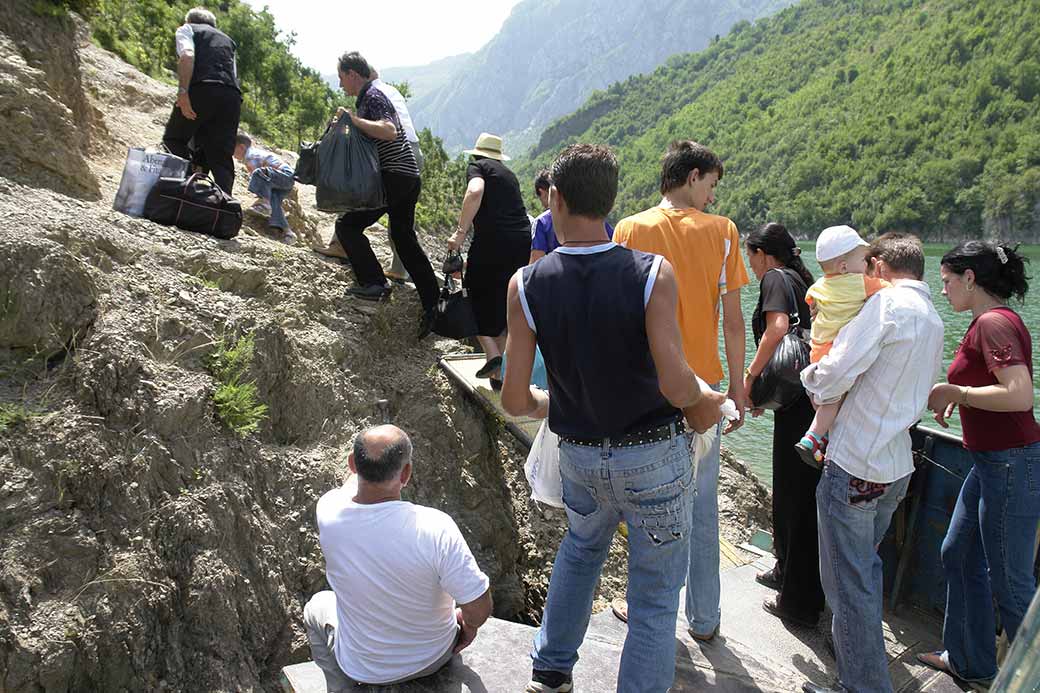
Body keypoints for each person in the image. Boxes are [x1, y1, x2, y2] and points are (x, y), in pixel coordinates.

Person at [501, 143, 725, 693]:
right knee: (652, 598)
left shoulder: (525, 284)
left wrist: (545, 404)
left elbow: (515, 401)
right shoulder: (651, 273)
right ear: (610, 202)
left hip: (578, 457)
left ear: (554, 198)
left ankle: (550, 672)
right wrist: (711, 399)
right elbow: (675, 384)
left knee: (580, 550)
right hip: (653, 456)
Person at [610, 140, 749, 641]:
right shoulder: (724, 233)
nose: (712, 196)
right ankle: (706, 620)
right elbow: (732, 322)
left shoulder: (630, 228)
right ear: (692, 176)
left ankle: (647, 609)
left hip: (646, 383)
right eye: (711, 185)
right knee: (702, 503)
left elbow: (623, 313)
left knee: (645, 499)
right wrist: (737, 386)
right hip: (703, 390)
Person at [800, 232, 944, 693]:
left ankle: (862, 686)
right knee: (862, 576)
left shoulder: (885, 308)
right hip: (896, 464)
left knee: (848, 586)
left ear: (879, 265)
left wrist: (809, 373)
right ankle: (857, 677)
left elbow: (833, 373)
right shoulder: (934, 319)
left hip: (856, 462)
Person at [918, 241, 1040, 686]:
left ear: (970, 279)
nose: (942, 288)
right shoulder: (989, 322)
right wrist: (962, 399)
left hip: (1011, 465)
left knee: (1012, 586)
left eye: (948, 281)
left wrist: (957, 394)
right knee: (958, 552)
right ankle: (971, 663)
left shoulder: (992, 323)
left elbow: (1019, 393)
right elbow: (991, 384)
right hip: (990, 462)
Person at [304, 425, 493, 690]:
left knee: (316, 605)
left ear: (351, 464)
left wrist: (365, 461)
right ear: (406, 473)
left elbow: (350, 487)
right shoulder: (436, 528)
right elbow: (479, 607)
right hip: (432, 658)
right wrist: (469, 624)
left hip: (362, 667)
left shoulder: (328, 511)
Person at [742, 223, 825, 628]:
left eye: (750, 256)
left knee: (794, 495)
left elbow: (777, 330)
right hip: (804, 400)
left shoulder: (775, 277)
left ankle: (799, 601)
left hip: (797, 408)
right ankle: (786, 570)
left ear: (763, 253)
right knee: (796, 492)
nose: (750, 265)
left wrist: (750, 378)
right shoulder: (798, 278)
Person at [332, 51, 439, 339]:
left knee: (347, 226)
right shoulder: (372, 95)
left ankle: (374, 283)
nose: (341, 85)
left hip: (394, 177)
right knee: (404, 240)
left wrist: (352, 120)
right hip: (406, 176)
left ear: (354, 74)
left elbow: (389, 131)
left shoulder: (373, 95)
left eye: (342, 78)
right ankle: (433, 303)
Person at [795, 225, 890, 466]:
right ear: (844, 266)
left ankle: (822, 439)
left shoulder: (817, 287)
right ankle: (812, 437)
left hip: (816, 348)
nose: (865, 264)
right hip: (836, 349)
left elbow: (811, 302)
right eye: (863, 259)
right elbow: (890, 290)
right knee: (834, 400)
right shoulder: (859, 284)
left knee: (822, 398)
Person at [446, 133, 531, 388]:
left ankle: (493, 356)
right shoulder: (508, 175)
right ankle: (500, 376)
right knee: (503, 300)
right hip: (521, 241)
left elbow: (475, 192)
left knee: (473, 293)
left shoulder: (478, 166)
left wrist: (460, 233)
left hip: (493, 240)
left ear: (477, 154)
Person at [162, 7, 242, 195]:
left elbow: (187, 56)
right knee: (221, 155)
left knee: (174, 138)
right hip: (232, 96)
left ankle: (187, 190)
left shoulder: (187, 29)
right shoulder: (229, 41)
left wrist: (183, 93)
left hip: (203, 87)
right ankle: (223, 208)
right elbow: (234, 74)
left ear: (189, 21)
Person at [529, 168, 613, 263]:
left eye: (541, 199)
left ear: (544, 193)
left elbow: (535, 262)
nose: (543, 205)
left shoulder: (541, 222)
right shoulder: (595, 218)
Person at [233, 133, 296, 244]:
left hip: (284, 175)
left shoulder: (250, 156)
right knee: (274, 201)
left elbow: (260, 176)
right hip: (284, 179)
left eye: (233, 149)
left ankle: (265, 205)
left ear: (242, 147)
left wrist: (261, 199)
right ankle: (288, 233)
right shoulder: (254, 155)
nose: (233, 154)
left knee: (258, 173)